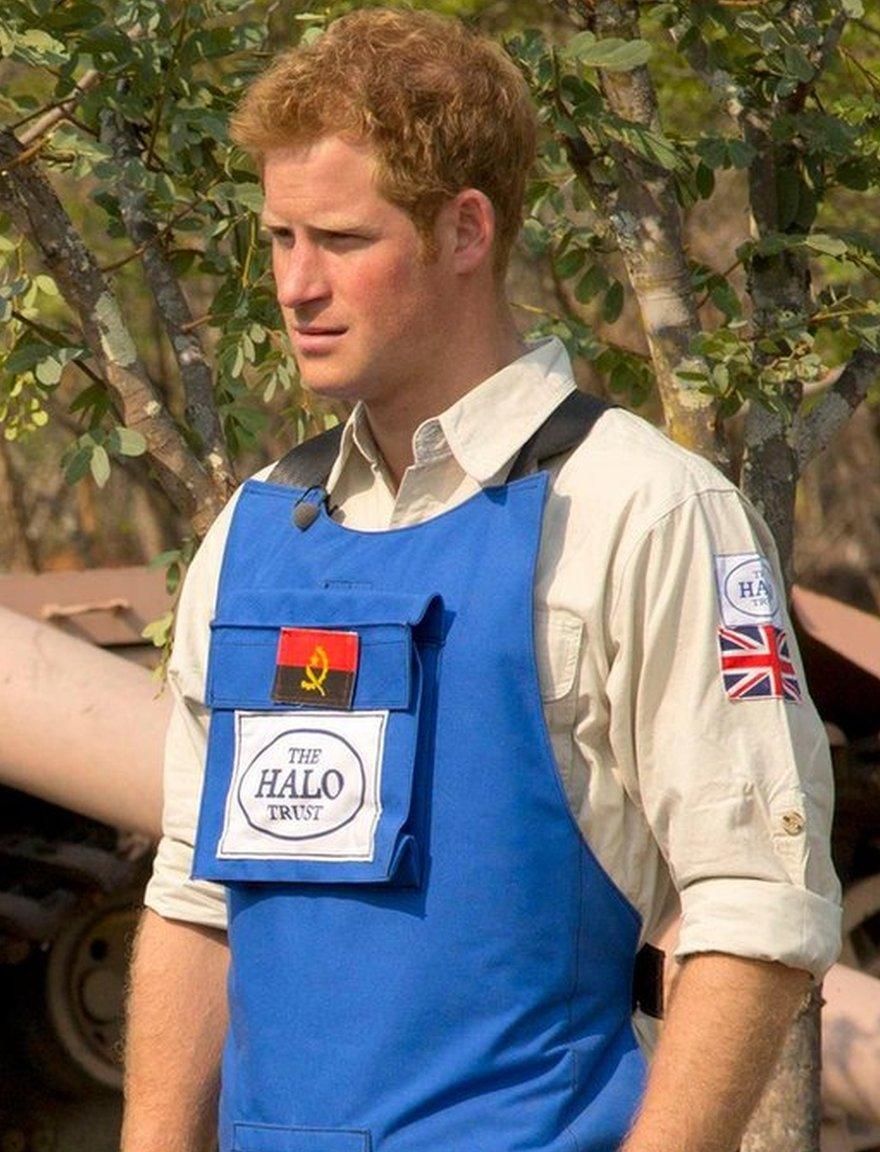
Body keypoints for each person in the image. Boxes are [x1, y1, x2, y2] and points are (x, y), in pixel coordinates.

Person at [123, 10, 840, 1152]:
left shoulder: (639, 510)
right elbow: (192, 900)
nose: (294, 286)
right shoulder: (256, 534)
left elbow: (756, 906)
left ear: (465, 231)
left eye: (341, 240)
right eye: (276, 239)